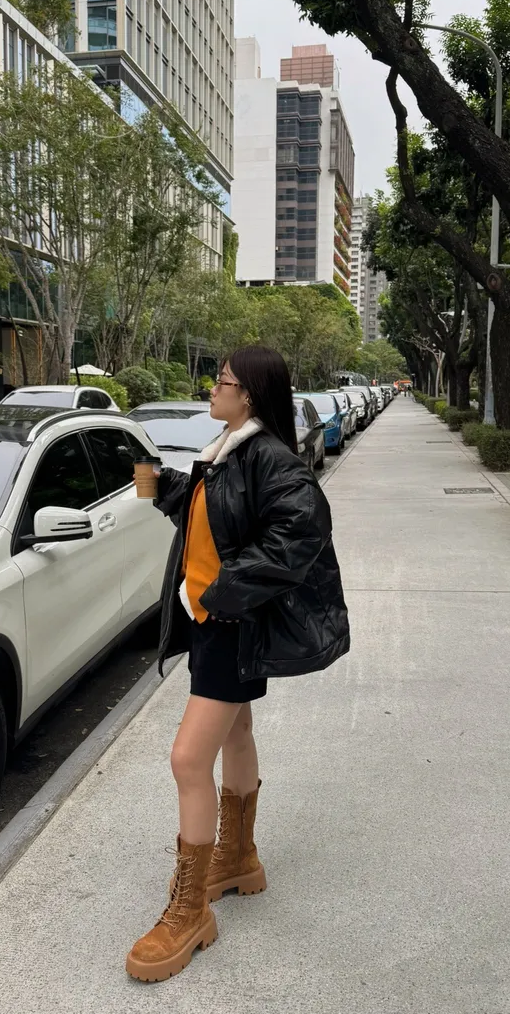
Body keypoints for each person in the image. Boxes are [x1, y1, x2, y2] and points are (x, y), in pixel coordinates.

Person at [126, 345, 350, 983]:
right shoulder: (229, 450)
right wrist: (162, 484)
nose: (211, 389)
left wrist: (222, 594)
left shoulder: (270, 459)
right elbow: (219, 519)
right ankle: (238, 856)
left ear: (247, 392)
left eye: (220, 380)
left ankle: (190, 911)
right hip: (217, 622)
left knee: (187, 759)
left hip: (228, 624)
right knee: (237, 733)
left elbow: (300, 533)